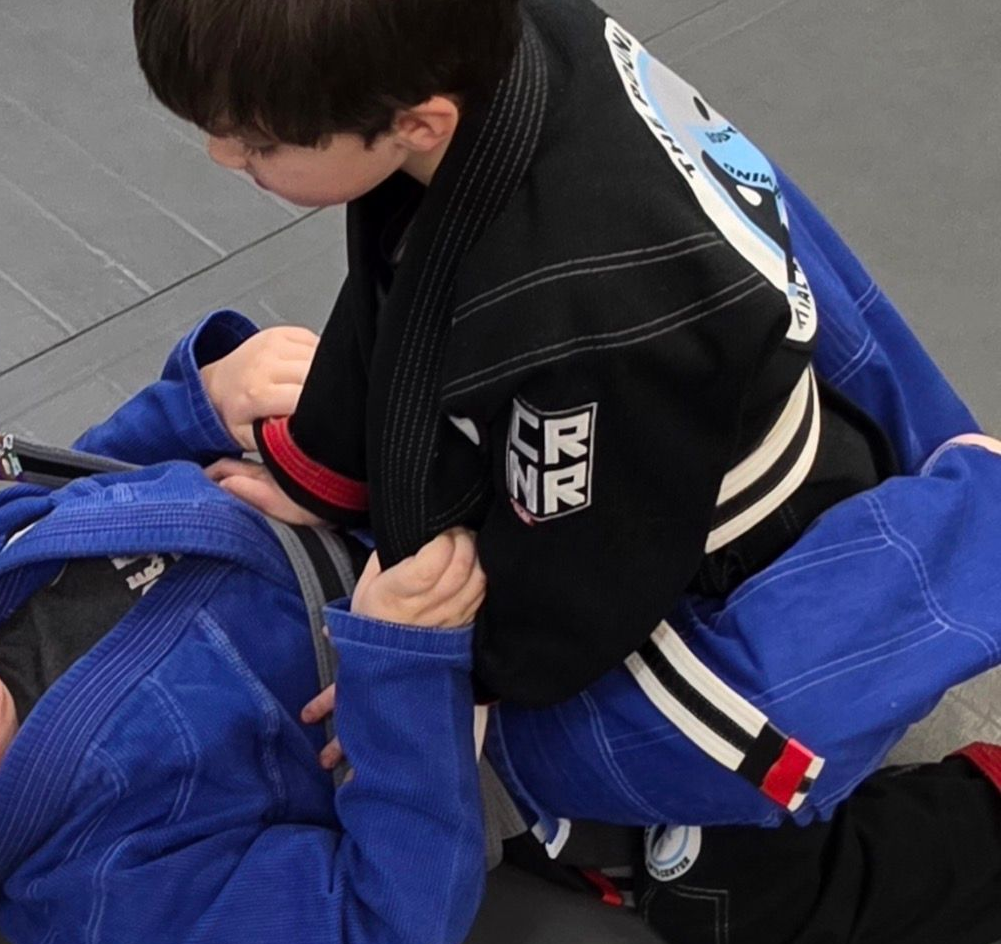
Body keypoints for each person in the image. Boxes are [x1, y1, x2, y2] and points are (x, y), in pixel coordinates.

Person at [0, 312, 1001, 944]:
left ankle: (780, 317)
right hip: (490, 694)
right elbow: (380, 934)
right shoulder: (105, 901)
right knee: (748, 896)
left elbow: (102, 472)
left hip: (409, 478)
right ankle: (972, 548)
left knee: (525, 301)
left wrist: (203, 401)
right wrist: (401, 670)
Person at [133, 0, 979, 713]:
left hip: (719, 540)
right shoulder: (465, 46)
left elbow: (578, 576)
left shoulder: (582, 312)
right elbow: (396, 276)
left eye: (256, 143)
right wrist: (324, 463)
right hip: (645, 377)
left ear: (418, 123)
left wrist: (431, 682)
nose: (223, 156)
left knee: (631, 823)